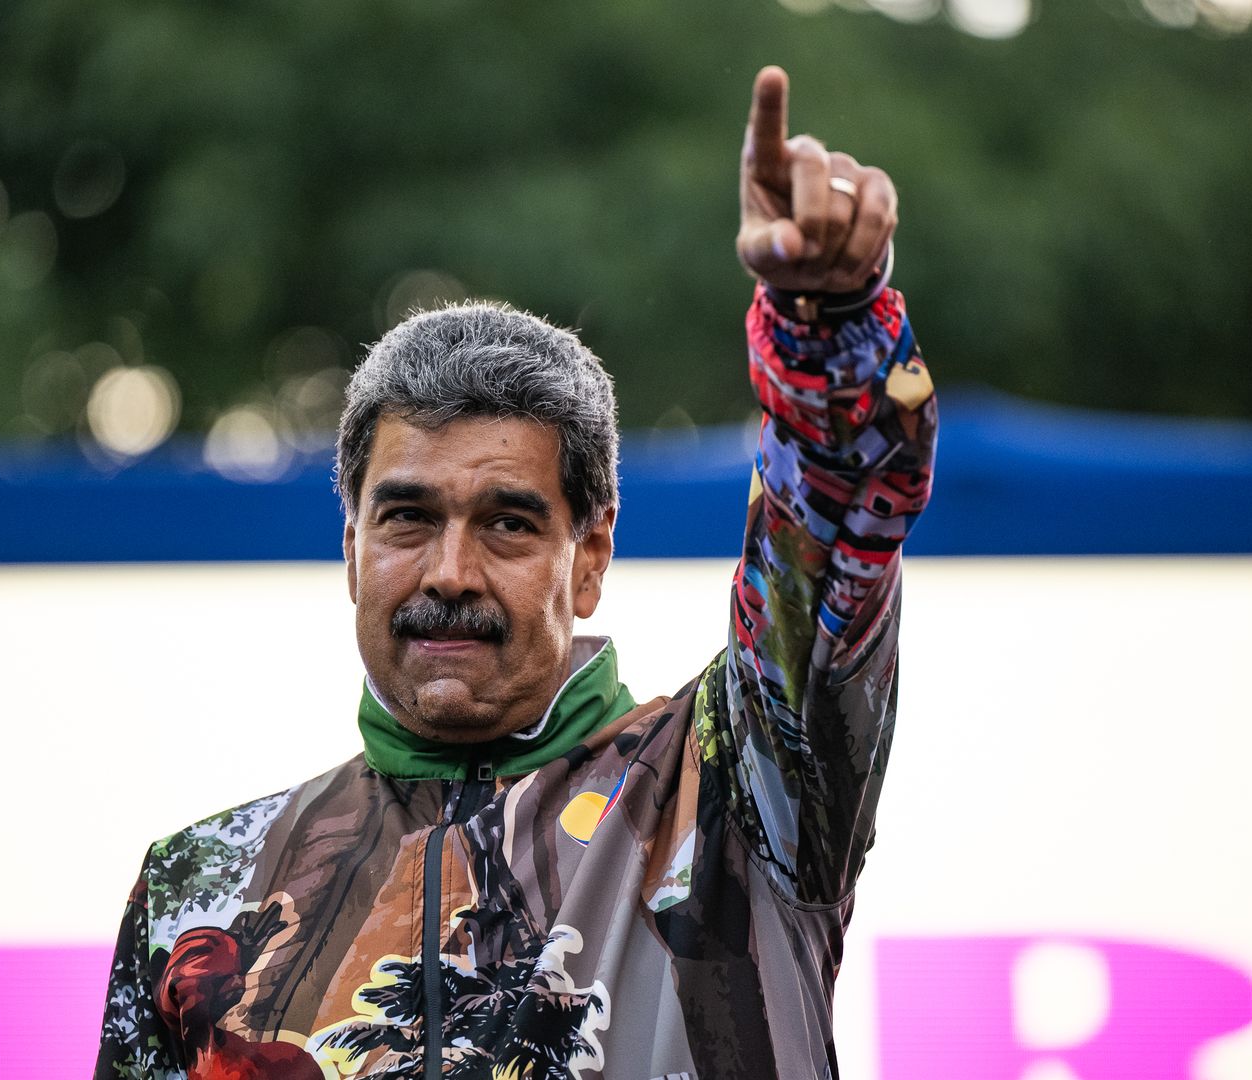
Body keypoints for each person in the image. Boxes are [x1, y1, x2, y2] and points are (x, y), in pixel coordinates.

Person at [93, 65, 936, 1080]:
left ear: (590, 558)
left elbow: (835, 532)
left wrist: (830, 324)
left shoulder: (731, 792)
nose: (449, 570)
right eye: (407, 517)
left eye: (506, 524)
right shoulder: (194, 895)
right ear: (351, 545)